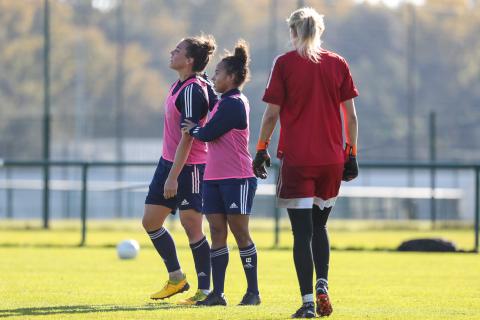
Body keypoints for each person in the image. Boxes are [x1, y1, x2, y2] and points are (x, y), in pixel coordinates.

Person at [253, 7, 359, 318]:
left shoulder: (284, 63)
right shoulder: (338, 63)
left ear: (293, 31)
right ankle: (323, 283)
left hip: (298, 159)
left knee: (302, 234)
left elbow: (272, 113)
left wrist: (261, 148)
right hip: (331, 159)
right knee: (320, 227)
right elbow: (350, 116)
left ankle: (308, 303)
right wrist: (351, 153)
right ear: (320, 31)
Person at [182, 40, 260, 307]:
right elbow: (211, 102)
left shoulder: (235, 103)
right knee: (216, 231)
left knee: (240, 233)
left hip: (237, 177)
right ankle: (219, 293)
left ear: (232, 77)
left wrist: (192, 128)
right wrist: (200, 78)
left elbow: (206, 133)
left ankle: (253, 292)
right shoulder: (222, 101)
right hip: (213, 178)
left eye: (217, 73)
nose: (214, 77)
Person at [142, 34, 218, 305]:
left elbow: (189, 136)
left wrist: (174, 175)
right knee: (150, 221)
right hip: (168, 162)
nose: (172, 52)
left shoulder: (192, 90)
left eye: (178, 50)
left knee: (191, 225)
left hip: (190, 167)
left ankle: (205, 290)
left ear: (189, 60)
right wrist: (168, 170)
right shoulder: (179, 84)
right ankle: (177, 278)